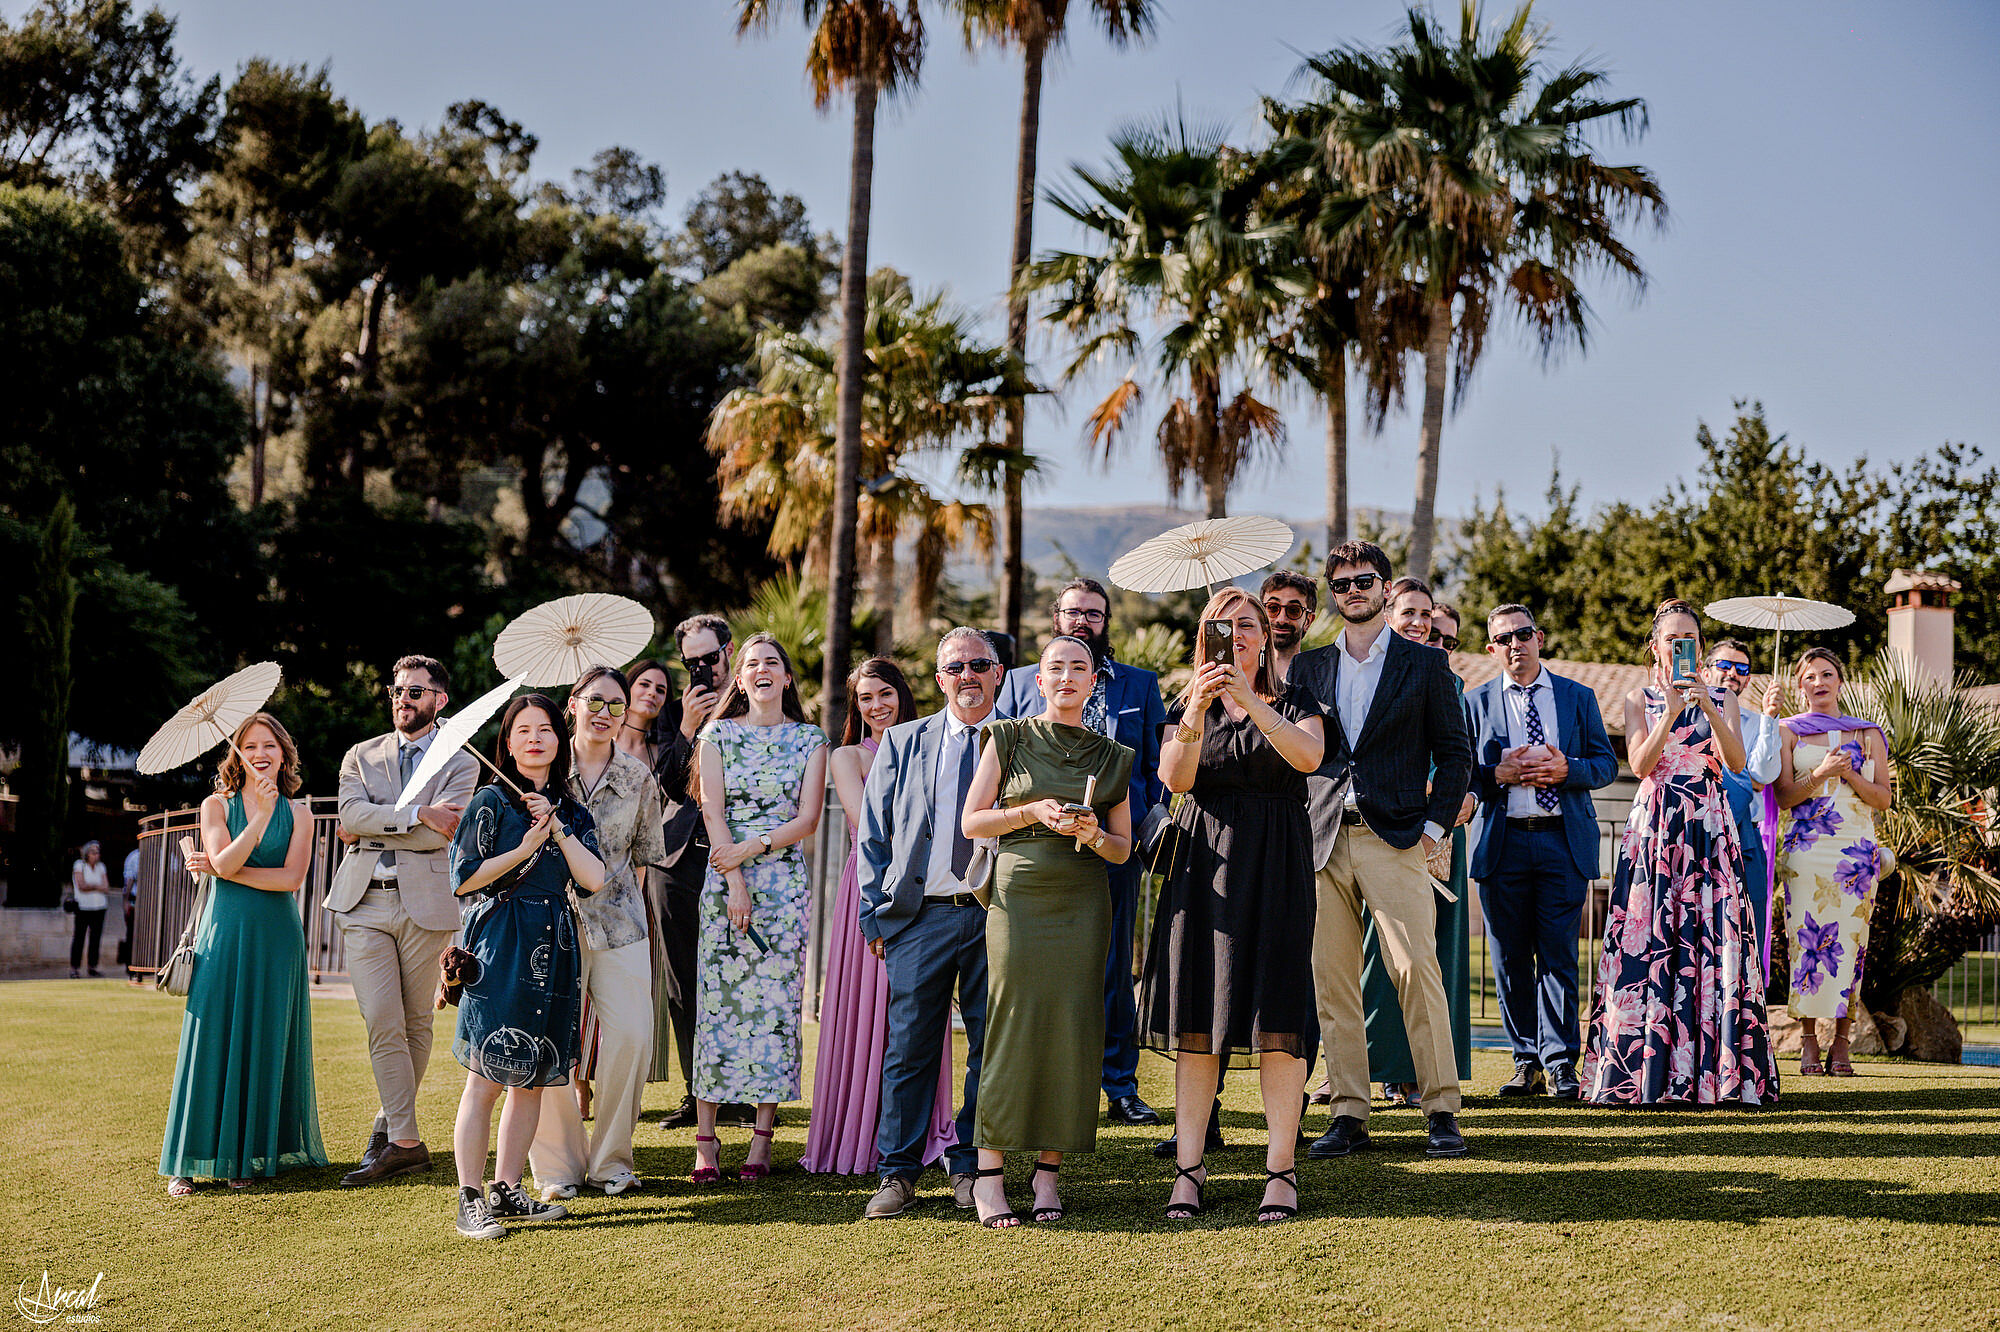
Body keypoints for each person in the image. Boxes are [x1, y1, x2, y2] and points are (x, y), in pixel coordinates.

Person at [1140, 590, 1324, 1224]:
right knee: (1199, 1014)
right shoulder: (1185, 704)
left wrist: (1248, 697)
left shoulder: (1298, 700)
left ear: (1265, 635)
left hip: (1278, 866)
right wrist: (1198, 704)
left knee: (1278, 1016)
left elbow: (1308, 757)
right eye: (1224, 627)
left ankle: (1281, 1170)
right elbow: (1176, 778)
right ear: (1204, 637)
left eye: (1248, 625)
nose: (1238, 635)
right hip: (1205, 868)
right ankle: (1189, 1169)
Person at [1288, 540, 1472, 1160]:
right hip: (1319, 839)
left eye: (1364, 581)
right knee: (1332, 983)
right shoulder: (1308, 669)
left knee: (1418, 971)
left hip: (1395, 838)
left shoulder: (1424, 666)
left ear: (1385, 589)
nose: (1352, 592)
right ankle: (1348, 1113)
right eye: (1340, 585)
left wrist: (1435, 830)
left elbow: (1456, 757)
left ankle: (1441, 1107)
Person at [961, 635, 1134, 1227]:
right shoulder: (1007, 737)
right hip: (1018, 897)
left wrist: (1092, 834)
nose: (1066, 677)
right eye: (1055, 668)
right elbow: (972, 819)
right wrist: (1032, 812)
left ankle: (1047, 1177)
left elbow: (1121, 850)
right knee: (1011, 1022)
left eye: (1078, 668)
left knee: (1072, 1025)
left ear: (1093, 681)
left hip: (1083, 901)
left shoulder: (1113, 755)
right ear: (1038, 680)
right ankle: (988, 1177)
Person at [1581, 599, 1777, 1106]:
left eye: (1690, 638)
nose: (1681, 646)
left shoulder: (1723, 699)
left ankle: (1715, 1074)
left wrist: (1710, 706)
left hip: (1708, 827)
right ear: (1656, 647)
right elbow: (1643, 764)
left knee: (1713, 938)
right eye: (1673, 638)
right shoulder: (1636, 699)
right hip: (1657, 828)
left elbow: (1737, 764)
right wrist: (1669, 711)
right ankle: (1643, 1072)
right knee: (1651, 939)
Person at [992, 578, 1166, 1127]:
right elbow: (997, 761)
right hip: (1034, 852)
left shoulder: (1139, 684)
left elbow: (1157, 768)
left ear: (1106, 620)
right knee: (1033, 971)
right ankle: (1040, 1084)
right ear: (1056, 618)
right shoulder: (1019, 683)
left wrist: (1138, 821)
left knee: (1114, 968)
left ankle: (1119, 1085)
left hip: (1113, 846)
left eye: (1093, 613)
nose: (1083, 621)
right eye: (1073, 612)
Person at [857, 629, 1003, 1220]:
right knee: (910, 1048)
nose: (967, 674)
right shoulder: (903, 741)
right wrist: (875, 916)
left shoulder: (1017, 738)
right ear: (939, 679)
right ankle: (898, 1172)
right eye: (955, 667)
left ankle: (970, 1167)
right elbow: (873, 833)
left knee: (988, 1050)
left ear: (997, 673)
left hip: (995, 917)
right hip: (920, 918)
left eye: (979, 664)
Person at [447, 693, 605, 1239]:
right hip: (502, 944)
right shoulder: (489, 801)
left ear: (559, 741)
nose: (534, 738)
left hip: (556, 944)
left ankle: (508, 1189)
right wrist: (524, 847)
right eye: (522, 730)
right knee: (486, 1079)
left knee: (533, 1079)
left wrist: (556, 829)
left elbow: (595, 880)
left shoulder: (573, 810)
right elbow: (463, 879)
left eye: (544, 729)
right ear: (508, 743)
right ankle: (470, 1197)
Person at [160, 713, 327, 1196]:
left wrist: (218, 869)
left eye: (269, 746)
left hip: (277, 939)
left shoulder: (301, 814)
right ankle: (185, 1163)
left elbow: (291, 880)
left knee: (264, 1039)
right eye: (250, 746)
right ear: (237, 755)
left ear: (283, 753)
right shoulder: (216, 805)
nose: (260, 754)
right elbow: (228, 858)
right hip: (224, 932)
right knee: (208, 1037)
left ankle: (248, 1157)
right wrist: (252, 825)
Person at [801, 658, 956, 1175]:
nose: (876, 706)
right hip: (872, 891)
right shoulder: (845, 755)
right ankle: (862, 1134)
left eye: (884, 694)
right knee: (868, 1011)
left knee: (917, 1015)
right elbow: (869, 819)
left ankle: (923, 1131)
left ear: (903, 696)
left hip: (928, 891)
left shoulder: (933, 744)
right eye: (865, 699)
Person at [328, 654, 478, 1186]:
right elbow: (349, 818)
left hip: (429, 905)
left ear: (438, 700)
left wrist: (382, 823)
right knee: (382, 1021)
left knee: (416, 1025)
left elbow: (443, 835)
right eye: (396, 691)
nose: (402, 700)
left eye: (414, 692)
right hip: (363, 902)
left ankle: (387, 1127)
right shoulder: (361, 755)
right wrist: (415, 813)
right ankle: (407, 1143)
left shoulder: (462, 762)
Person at [688, 633, 828, 1184]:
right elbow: (713, 812)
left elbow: (808, 819)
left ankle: (762, 1141)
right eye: (752, 664)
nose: (763, 670)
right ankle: (706, 1141)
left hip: (785, 884)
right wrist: (737, 880)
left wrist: (756, 847)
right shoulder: (716, 735)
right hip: (727, 881)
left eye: (773, 662)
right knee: (717, 1007)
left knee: (775, 1009)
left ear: (787, 679)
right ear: (739, 679)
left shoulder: (810, 740)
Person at [1463, 603, 1618, 1100]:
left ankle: (1560, 1064)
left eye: (1523, 634)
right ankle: (1524, 1060)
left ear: (1540, 638)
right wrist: (1497, 776)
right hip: (1502, 841)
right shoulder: (1476, 702)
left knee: (1557, 957)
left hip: (1561, 839)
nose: (1515, 644)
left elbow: (1605, 766)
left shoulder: (1578, 697)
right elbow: (1461, 773)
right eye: (1503, 638)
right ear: (1491, 649)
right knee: (1508, 959)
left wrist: (1566, 770)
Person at [527, 667, 665, 1200]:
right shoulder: (541, 773)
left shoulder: (638, 777)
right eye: (595, 701)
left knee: (631, 1035)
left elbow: (645, 859)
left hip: (622, 922)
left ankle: (612, 1161)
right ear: (573, 705)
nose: (605, 713)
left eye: (616, 703)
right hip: (550, 925)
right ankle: (558, 1168)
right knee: (551, 1038)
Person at [1359, 578, 1482, 1107]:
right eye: (1407, 611)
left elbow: (1459, 754)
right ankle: (1371, 1064)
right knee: (1375, 955)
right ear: (1386, 612)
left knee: (1430, 957)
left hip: (1437, 831)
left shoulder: (1447, 683)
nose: (1419, 623)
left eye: (1426, 615)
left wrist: (1458, 799)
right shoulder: (1365, 672)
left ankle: (1425, 1075)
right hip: (1380, 826)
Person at [1775, 647, 1893, 1077]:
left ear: (1841, 681)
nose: (1819, 683)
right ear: (1799, 685)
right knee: (1804, 944)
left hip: (1856, 851)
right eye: (1809, 677)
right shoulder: (1787, 731)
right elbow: (1784, 797)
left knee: (1851, 947)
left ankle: (1842, 1044)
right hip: (1806, 849)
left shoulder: (1866, 734)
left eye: (1827, 674)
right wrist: (1821, 773)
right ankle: (1808, 1041)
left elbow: (1883, 798)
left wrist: (1849, 775)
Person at [618, 654, 703, 1130]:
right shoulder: (596, 744)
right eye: (644, 685)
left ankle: (691, 1088)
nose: (651, 694)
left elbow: (674, 795)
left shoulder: (665, 748)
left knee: (658, 979)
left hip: (653, 869)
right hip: (599, 869)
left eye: (661, 689)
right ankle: (583, 1082)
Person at [1704, 638, 1785, 980]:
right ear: (1705, 671)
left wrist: (1769, 718)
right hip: (1696, 833)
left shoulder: (1757, 724)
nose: (1732, 674)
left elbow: (1762, 776)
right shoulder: (1684, 716)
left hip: (1744, 836)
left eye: (1741, 669)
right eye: (1723, 666)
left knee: (1745, 929)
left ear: (1749, 679)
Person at [1261, 570, 1320, 684]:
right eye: (1273, 608)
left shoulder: (1320, 680)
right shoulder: (1243, 675)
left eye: (1293, 610)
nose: (1281, 620)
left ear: (1308, 621)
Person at [68, 841, 110, 977]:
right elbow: (82, 885)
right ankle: (74, 968)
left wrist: (93, 886)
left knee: (95, 938)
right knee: (79, 938)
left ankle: (92, 966)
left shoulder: (101, 867)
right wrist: (97, 887)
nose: (96, 855)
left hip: (99, 907)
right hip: (83, 907)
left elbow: (106, 887)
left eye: (97, 853)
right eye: (93, 852)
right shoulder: (79, 865)